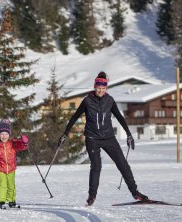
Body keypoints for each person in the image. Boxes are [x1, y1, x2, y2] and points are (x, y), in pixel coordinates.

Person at [58, 71, 148, 206]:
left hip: (109, 137)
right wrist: (65, 133)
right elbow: (74, 117)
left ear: (106, 88)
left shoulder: (109, 100)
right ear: (95, 87)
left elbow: (119, 117)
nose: (100, 91)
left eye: (103, 88)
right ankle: (92, 196)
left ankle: (135, 192)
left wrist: (129, 134)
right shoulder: (87, 101)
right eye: (98, 88)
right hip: (92, 138)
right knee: (96, 166)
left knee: (122, 164)